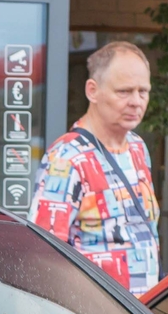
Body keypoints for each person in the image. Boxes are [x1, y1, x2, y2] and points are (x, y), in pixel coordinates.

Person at [34, 40, 160, 294]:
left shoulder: (138, 148)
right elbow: (43, 253)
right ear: (93, 91)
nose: (136, 102)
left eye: (143, 91)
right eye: (124, 91)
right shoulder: (67, 157)